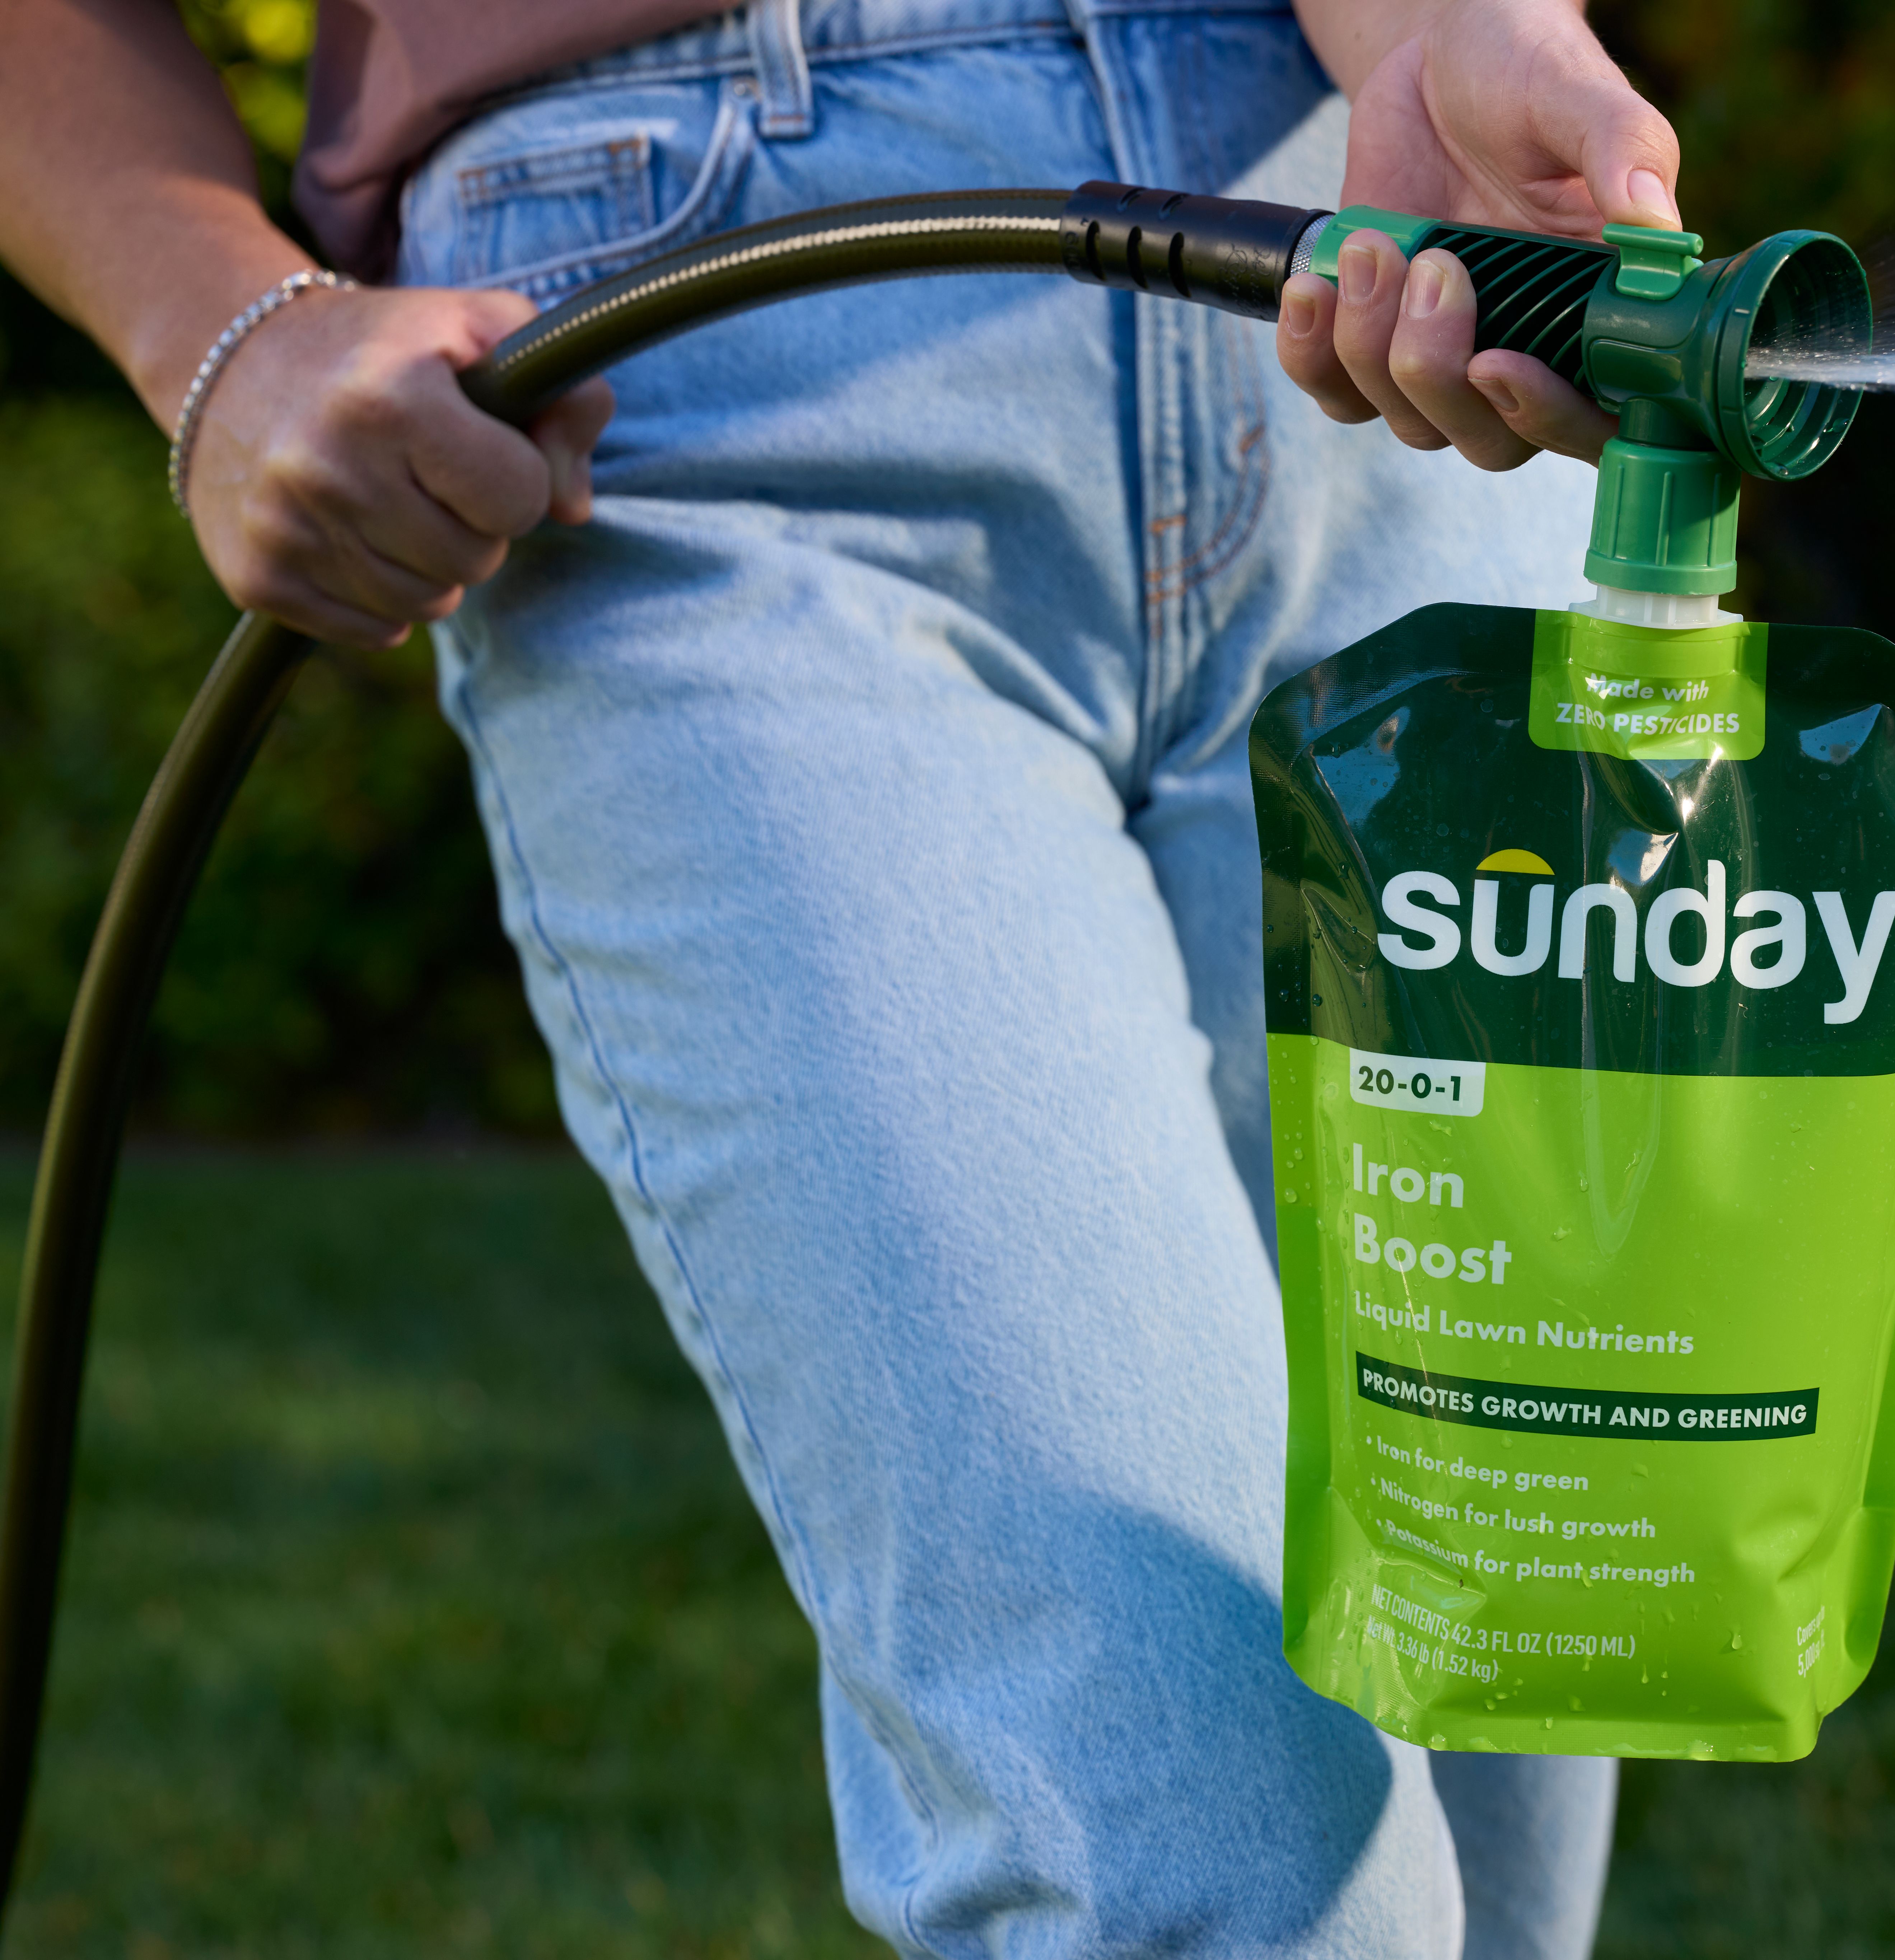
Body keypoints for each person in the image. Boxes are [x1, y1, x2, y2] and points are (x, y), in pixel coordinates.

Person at [0, 0, 1689, 1950]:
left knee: (1505, 1748)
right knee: (1220, 1872)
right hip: (696, 386)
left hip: (1387, 314)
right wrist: (216, 321)